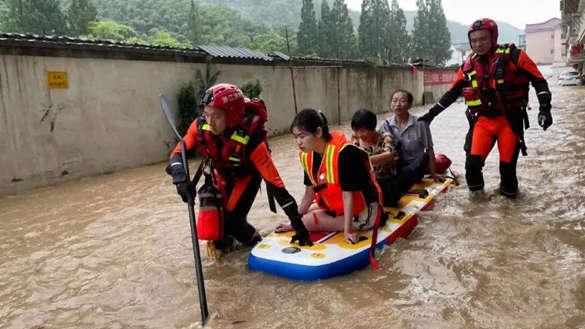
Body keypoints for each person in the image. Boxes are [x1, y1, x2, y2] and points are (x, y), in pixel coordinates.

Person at [165, 83, 311, 257]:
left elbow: (275, 184)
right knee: (216, 228)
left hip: (246, 178)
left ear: (232, 114)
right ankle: (228, 256)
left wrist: (297, 224)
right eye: (207, 114)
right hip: (220, 175)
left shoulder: (251, 139)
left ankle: (257, 245)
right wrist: (180, 179)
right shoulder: (200, 126)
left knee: (233, 222)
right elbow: (176, 155)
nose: (210, 122)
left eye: (217, 116)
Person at [418, 18, 552, 198]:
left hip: (509, 122)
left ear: (493, 38)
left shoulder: (514, 56)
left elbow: (539, 81)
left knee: (507, 171)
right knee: (472, 168)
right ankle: (477, 211)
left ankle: (508, 213)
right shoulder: (468, 65)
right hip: (482, 122)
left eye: (483, 39)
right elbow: (451, 94)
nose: (478, 44)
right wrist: (430, 115)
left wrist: (545, 109)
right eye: (474, 41)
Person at [276, 109, 382, 245]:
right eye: (295, 137)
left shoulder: (345, 153)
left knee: (307, 221)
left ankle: (351, 224)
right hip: (339, 207)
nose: (298, 142)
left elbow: (347, 195)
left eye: (302, 136)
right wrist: (293, 221)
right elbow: (309, 195)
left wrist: (348, 230)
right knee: (306, 211)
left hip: (365, 213)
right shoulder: (308, 155)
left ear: (318, 132)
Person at [377, 89, 446, 200]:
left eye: (402, 101)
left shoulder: (421, 123)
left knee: (424, 157)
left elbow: (429, 149)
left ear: (409, 105)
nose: (397, 104)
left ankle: (398, 183)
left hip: (416, 166)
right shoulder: (385, 124)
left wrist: (433, 174)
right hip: (396, 166)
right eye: (394, 101)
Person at [350, 108, 402, 207]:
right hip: (366, 182)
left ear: (372, 129)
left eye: (363, 131)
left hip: (385, 184)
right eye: (357, 130)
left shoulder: (385, 138)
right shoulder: (355, 138)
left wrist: (364, 160)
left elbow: (389, 155)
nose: (360, 134)